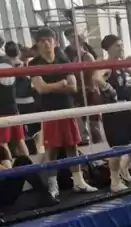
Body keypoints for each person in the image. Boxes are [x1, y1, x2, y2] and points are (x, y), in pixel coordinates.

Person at [30, 27, 97, 200]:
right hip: (48, 110)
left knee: (72, 145)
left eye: (49, 40)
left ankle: (78, 181)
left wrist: (51, 86)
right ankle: (53, 186)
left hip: (67, 107)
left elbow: (73, 86)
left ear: (55, 42)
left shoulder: (63, 59)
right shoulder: (34, 63)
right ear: (37, 44)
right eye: (42, 41)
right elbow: (41, 88)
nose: (46, 44)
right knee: (51, 149)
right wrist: (61, 84)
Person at [98, 34, 131, 192]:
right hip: (113, 111)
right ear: (109, 48)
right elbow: (96, 78)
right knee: (117, 148)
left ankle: (124, 167)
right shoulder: (106, 65)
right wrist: (108, 89)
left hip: (127, 109)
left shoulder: (123, 65)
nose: (121, 48)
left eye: (121, 45)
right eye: (117, 45)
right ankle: (114, 181)